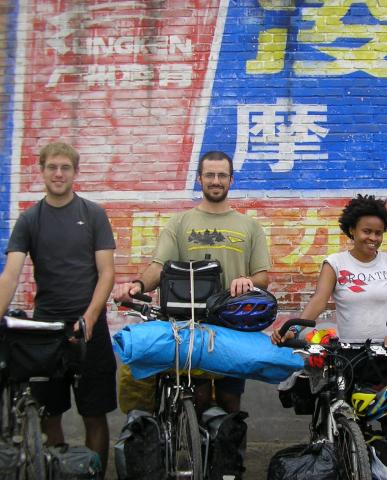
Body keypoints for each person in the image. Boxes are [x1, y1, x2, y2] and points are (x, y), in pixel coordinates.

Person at [113, 150, 271, 415]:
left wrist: (247, 281)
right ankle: (193, 451)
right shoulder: (180, 223)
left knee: (230, 403)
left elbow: (263, 278)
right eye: (210, 175)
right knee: (195, 400)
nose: (216, 181)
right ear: (200, 179)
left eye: (222, 175)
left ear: (231, 180)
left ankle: (228, 456)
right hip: (186, 325)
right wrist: (138, 285)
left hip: (231, 327)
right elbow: (158, 267)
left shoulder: (249, 226)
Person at [0, 142, 116, 474]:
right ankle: (55, 469)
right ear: (42, 170)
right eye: (52, 167)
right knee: (50, 414)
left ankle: (93, 474)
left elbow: (106, 273)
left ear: (75, 173)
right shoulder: (29, 219)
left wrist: (90, 316)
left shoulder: (92, 214)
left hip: (89, 329)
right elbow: (10, 275)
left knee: (94, 415)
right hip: (45, 332)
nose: (59, 174)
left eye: (65, 168)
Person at [271, 194, 387, 439]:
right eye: (367, 231)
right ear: (351, 230)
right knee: (351, 424)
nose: (373, 239)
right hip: (349, 357)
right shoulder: (336, 263)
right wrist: (293, 330)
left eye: (378, 233)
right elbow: (319, 300)